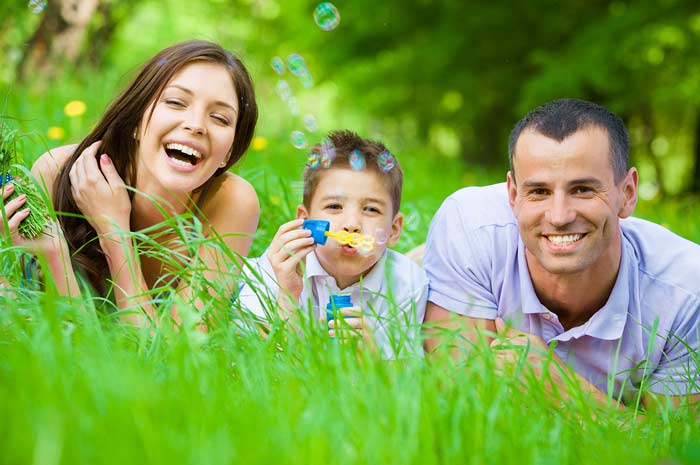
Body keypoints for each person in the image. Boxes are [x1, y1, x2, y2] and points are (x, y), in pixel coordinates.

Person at [423, 98, 700, 408]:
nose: (559, 215)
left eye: (582, 189)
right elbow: (462, 403)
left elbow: (672, 449)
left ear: (628, 193)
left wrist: (562, 389)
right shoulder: (470, 229)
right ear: (512, 195)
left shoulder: (688, 294)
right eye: (539, 192)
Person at [0, 40, 259, 325]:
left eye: (221, 118)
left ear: (229, 153)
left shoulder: (231, 202)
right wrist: (54, 257)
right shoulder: (57, 173)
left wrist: (115, 232)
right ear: (136, 119)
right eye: (175, 102)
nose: (196, 124)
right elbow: (67, 343)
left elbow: (173, 356)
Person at [236, 130, 427, 359]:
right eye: (335, 207)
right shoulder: (279, 266)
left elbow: (403, 381)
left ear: (394, 230)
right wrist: (288, 294)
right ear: (305, 221)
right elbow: (255, 365)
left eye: (371, 209)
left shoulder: (407, 282)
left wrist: (371, 357)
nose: (352, 225)